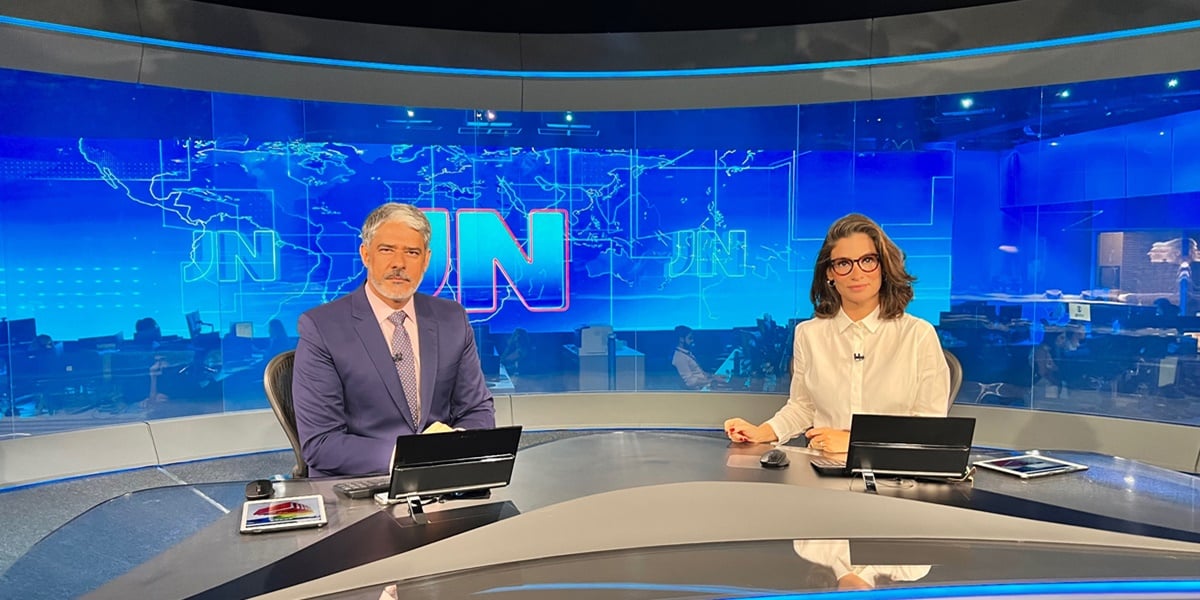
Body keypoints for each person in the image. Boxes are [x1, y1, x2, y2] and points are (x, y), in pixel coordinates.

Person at [292, 202, 495, 477]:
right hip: (362, 484)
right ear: (366, 255)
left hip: (442, 480)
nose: (399, 264)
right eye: (386, 250)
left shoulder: (452, 319)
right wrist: (413, 456)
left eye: (412, 253)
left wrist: (452, 450)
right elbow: (321, 443)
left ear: (426, 260)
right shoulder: (321, 328)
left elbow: (477, 411)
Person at [723, 213, 950, 453]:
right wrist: (762, 432)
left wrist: (854, 443)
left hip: (891, 475)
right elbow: (803, 407)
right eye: (843, 263)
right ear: (829, 273)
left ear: (884, 267)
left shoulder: (917, 335)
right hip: (821, 469)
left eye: (868, 260)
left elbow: (929, 427)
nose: (857, 273)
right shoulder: (809, 334)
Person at [671, 325, 725, 390]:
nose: (692, 341)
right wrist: (711, 381)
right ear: (681, 339)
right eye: (690, 338)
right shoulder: (680, 358)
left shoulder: (686, 353)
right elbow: (690, 382)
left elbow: (699, 372)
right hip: (699, 390)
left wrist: (713, 376)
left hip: (705, 384)